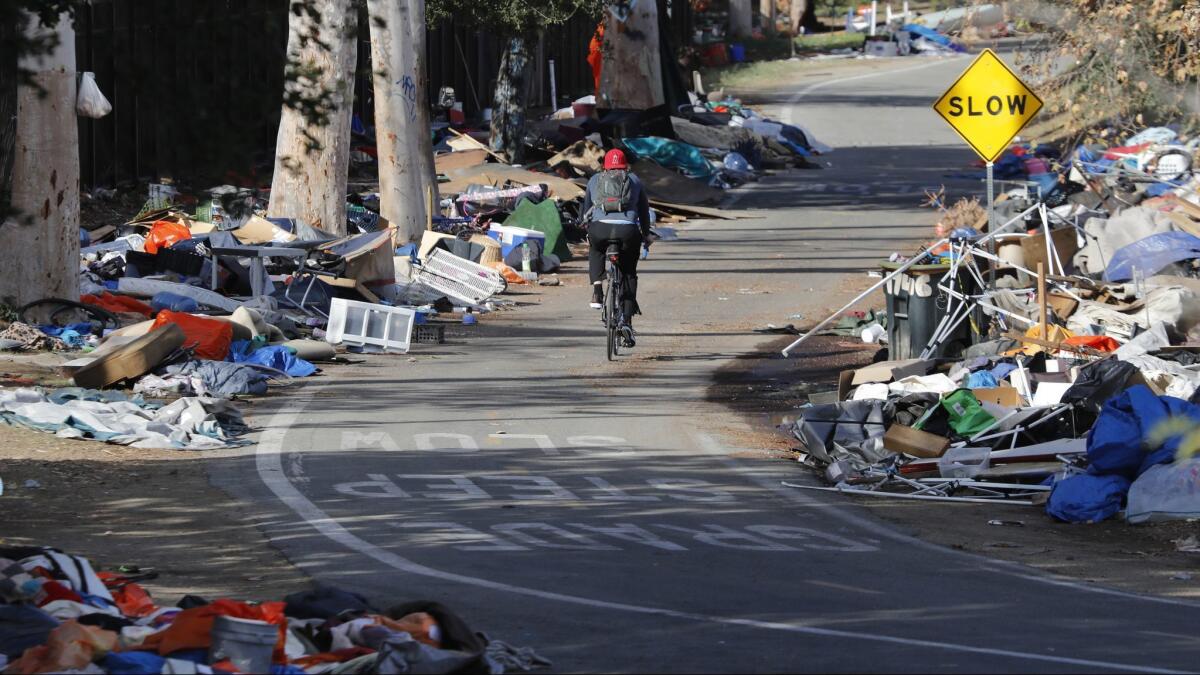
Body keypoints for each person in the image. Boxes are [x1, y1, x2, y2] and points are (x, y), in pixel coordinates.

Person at [581, 148, 652, 348]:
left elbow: (585, 209)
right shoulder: (634, 180)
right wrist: (645, 234)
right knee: (628, 273)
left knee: (595, 250)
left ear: (605, 165)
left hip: (600, 230)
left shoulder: (594, 180)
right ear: (625, 165)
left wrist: (586, 226)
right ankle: (627, 321)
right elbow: (644, 213)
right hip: (628, 233)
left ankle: (597, 290)